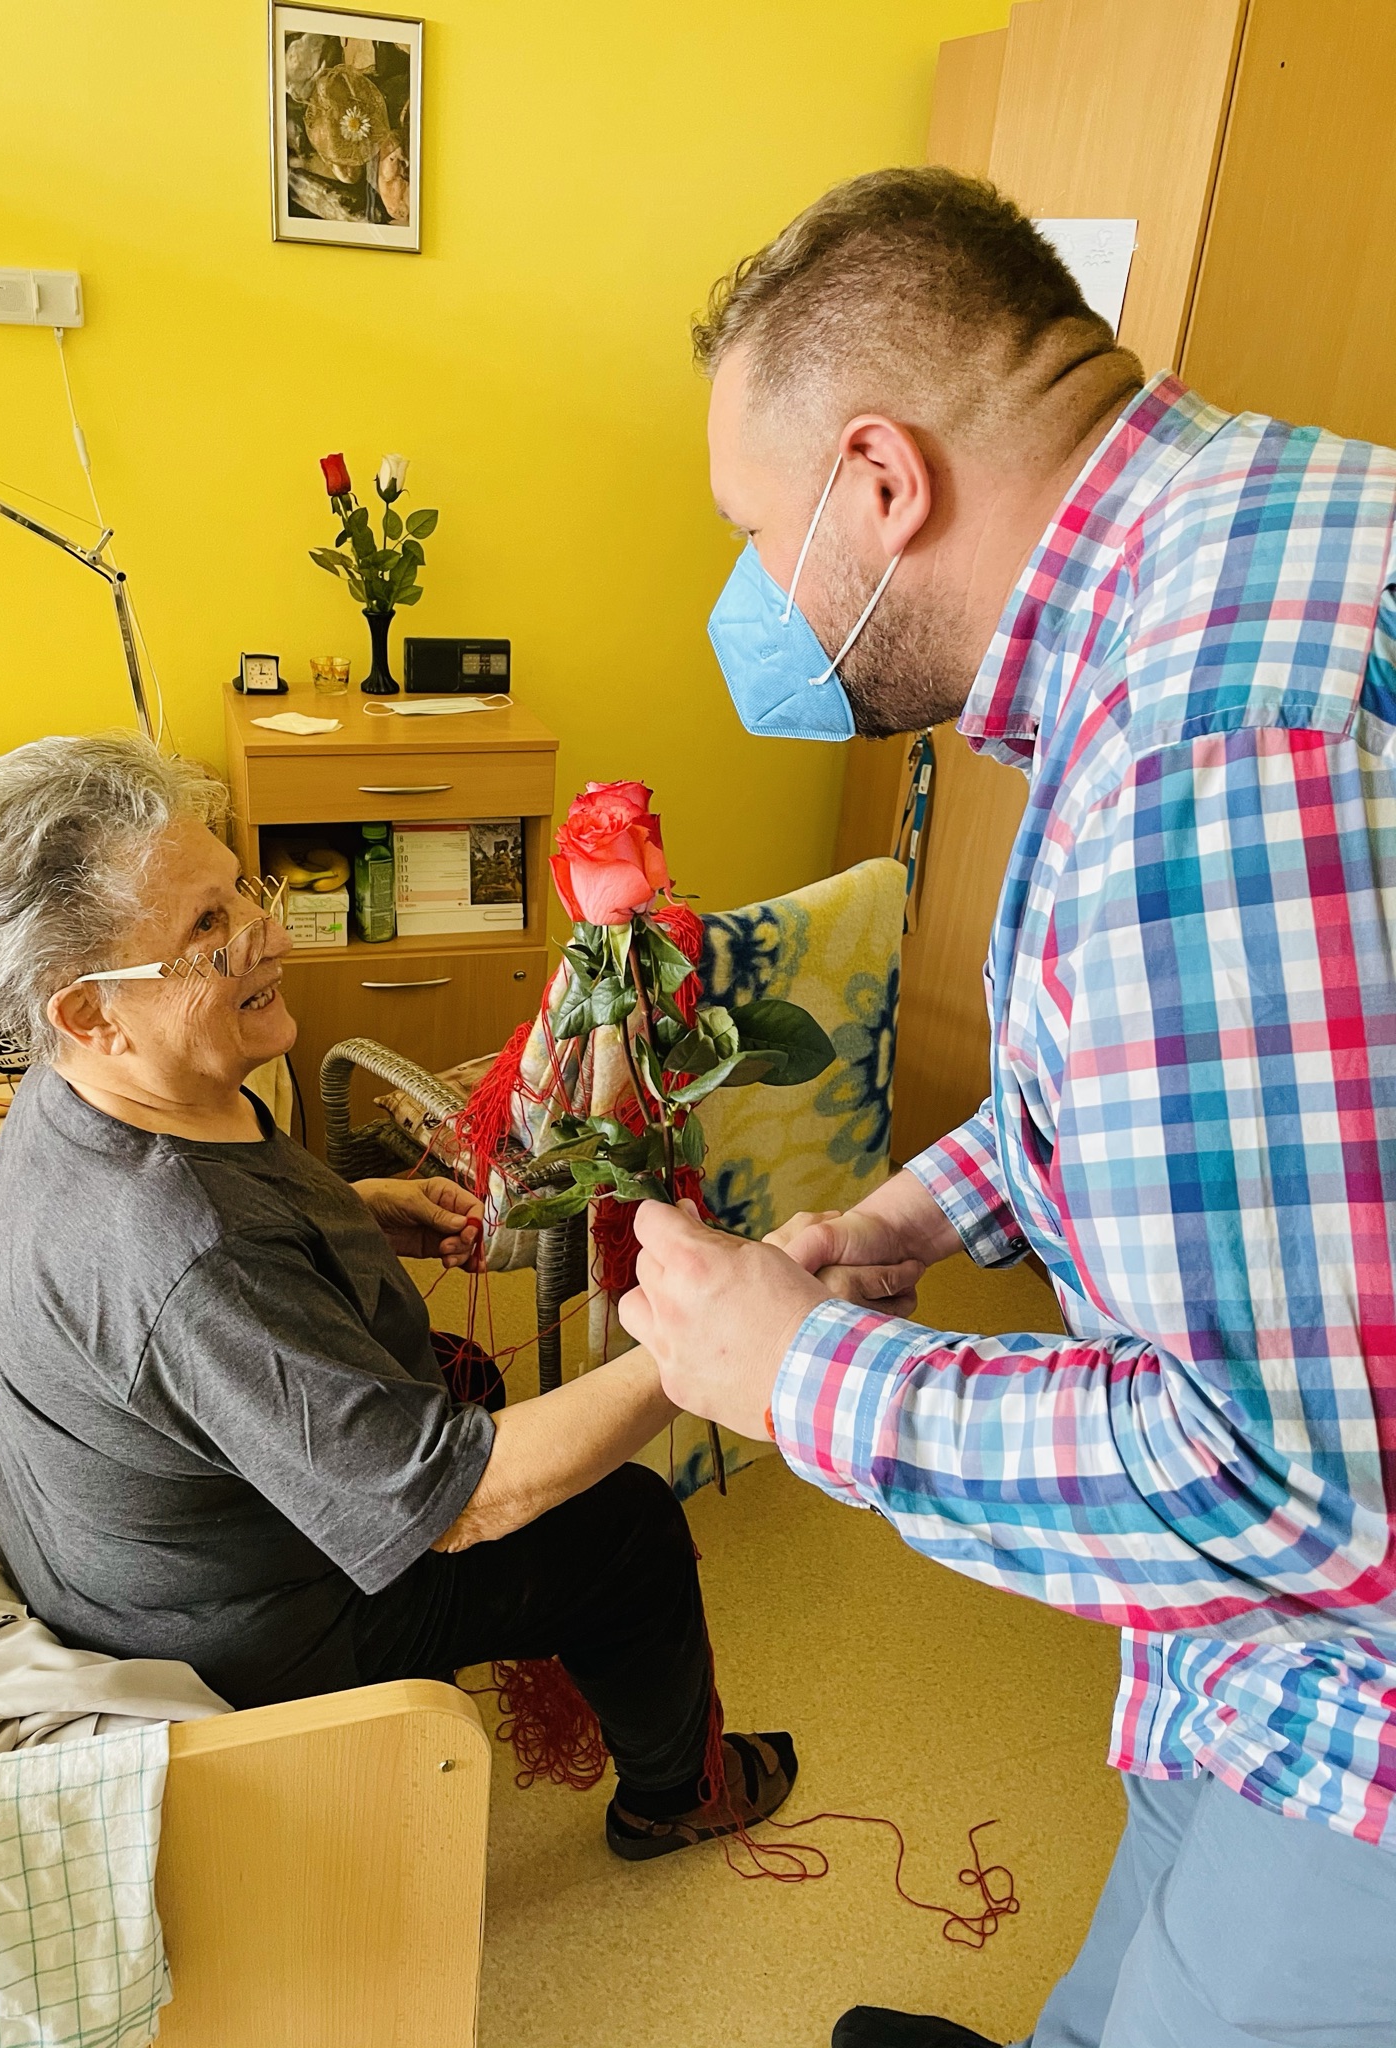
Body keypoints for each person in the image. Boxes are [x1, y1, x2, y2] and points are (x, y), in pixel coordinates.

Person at [621, 167, 1396, 2042]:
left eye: (755, 534)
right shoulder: (1258, 537)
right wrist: (917, 1213)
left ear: (881, 482)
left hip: (1353, 1698)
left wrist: (797, 1377)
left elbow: (1282, 1480)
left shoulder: (1212, 748)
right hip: (1231, 1660)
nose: (752, 596)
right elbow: (1146, 1085)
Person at [0, 734, 795, 1861]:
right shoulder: (186, 1250)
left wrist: (353, 1211)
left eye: (242, 889)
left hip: (102, 1533)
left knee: (456, 1371)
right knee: (624, 1526)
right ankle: (675, 1797)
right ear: (90, 1012)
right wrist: (699, 1348)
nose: (268, 931)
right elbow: (457, 1503)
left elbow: (221, 1246)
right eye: (211, 928)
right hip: (231, 1633)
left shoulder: (86, 1086)